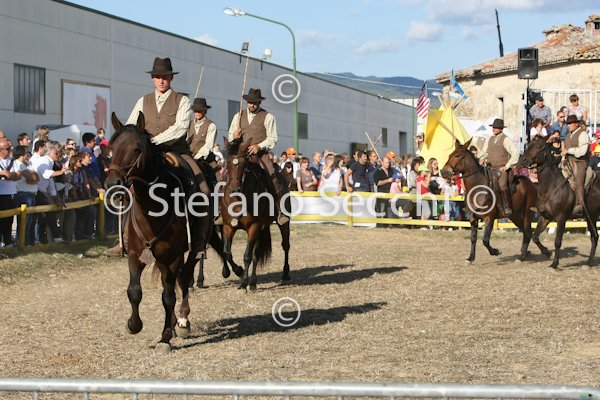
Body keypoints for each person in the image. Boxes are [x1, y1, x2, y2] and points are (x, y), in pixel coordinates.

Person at [228, 88, 289, 225]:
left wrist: (259, 146)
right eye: (250, 102)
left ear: (259, 102)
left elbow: (273, 138)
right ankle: (223, 211)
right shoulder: (238, 116)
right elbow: (231, 134)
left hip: (260, 154)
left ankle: (281, 210)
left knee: (273, 176)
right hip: (241, 155)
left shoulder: (268, 117)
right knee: (226, 176)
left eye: (254, 102)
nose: (252, 105)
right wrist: (234, 136)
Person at [478, 118, 519, 217]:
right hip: (489, 168)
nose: (493, 129)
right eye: (493, 127)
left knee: (502, 185)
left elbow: (515, 152)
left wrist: (507, 166)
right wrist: (482, 158)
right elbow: (484, 152)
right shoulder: (489, 139)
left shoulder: (506, 139)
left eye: (496, 127)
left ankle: (507, 206)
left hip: (501, 169)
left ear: (501, 129)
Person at [563, 114, 590, 216]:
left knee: (579, 180)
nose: (569, 125)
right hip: (568, 161)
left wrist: (569, 151)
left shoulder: (583, 134)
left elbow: (582, 151)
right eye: (568, 123)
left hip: (580, 162)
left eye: (570, 123)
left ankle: (579, 205)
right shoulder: (568, 135)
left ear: (576, 124)